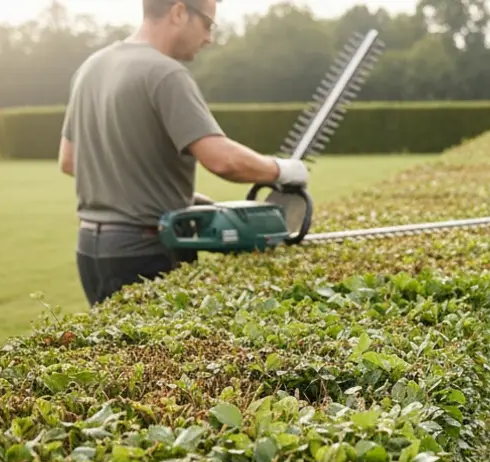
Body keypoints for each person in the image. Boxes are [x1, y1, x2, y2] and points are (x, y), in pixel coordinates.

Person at [58, 0, 308, 306]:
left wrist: (167, 195)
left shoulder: (91, 67)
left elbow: (70, 161)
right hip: (146, 249)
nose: (209, 38)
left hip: (91, 250)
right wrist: (283, 170)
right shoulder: (165, 73)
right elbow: (222, 160)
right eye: (208, 24)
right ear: (178, 11)